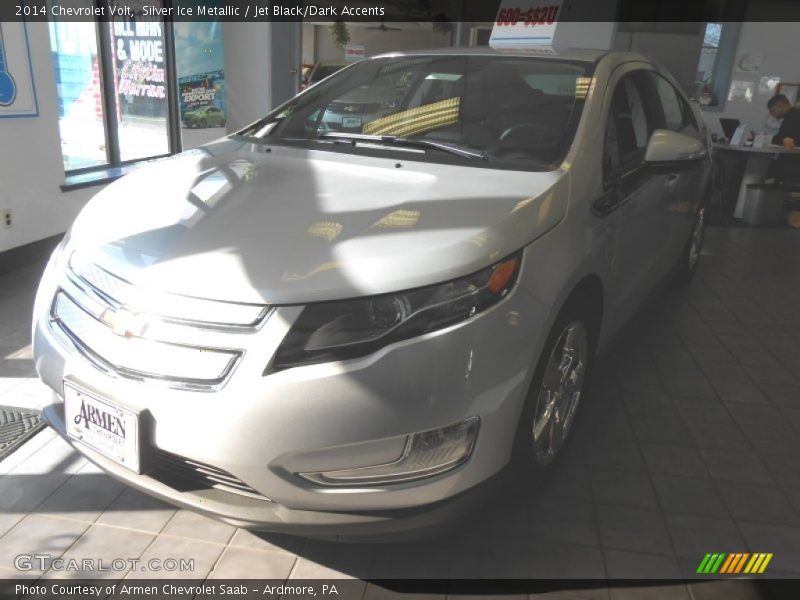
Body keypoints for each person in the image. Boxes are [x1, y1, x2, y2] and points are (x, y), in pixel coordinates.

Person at [766, 95, 800, 184]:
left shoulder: (792, 117)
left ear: (780, 105)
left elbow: (784, 138)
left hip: (794, 162)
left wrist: (766, 139)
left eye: (772, 111)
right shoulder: (794, 114)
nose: (772, 115)